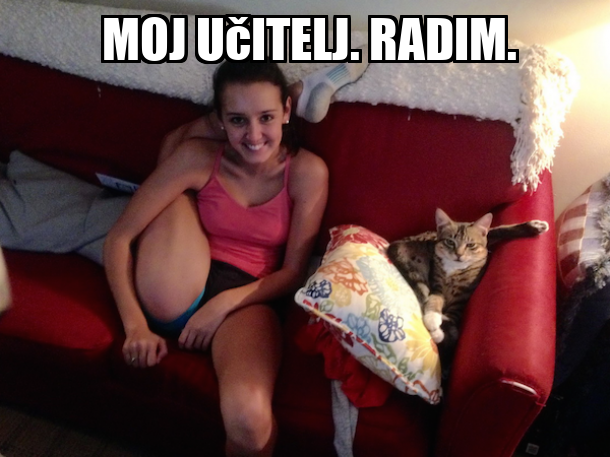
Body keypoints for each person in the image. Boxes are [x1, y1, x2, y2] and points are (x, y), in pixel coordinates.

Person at [103, 55, 368, 457]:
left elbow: (293, 273)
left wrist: (223, 304)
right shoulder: (197, 156)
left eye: (266, 117)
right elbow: (119, 238)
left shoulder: (307, 172)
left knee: (249, 420)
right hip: (177, 279)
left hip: (248, 299)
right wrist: (135, 326)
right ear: (220, 121)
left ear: (286, 113)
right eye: (238, 120)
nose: (254, 135)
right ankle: (290, 93)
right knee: (174, 165)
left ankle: (291, 95)